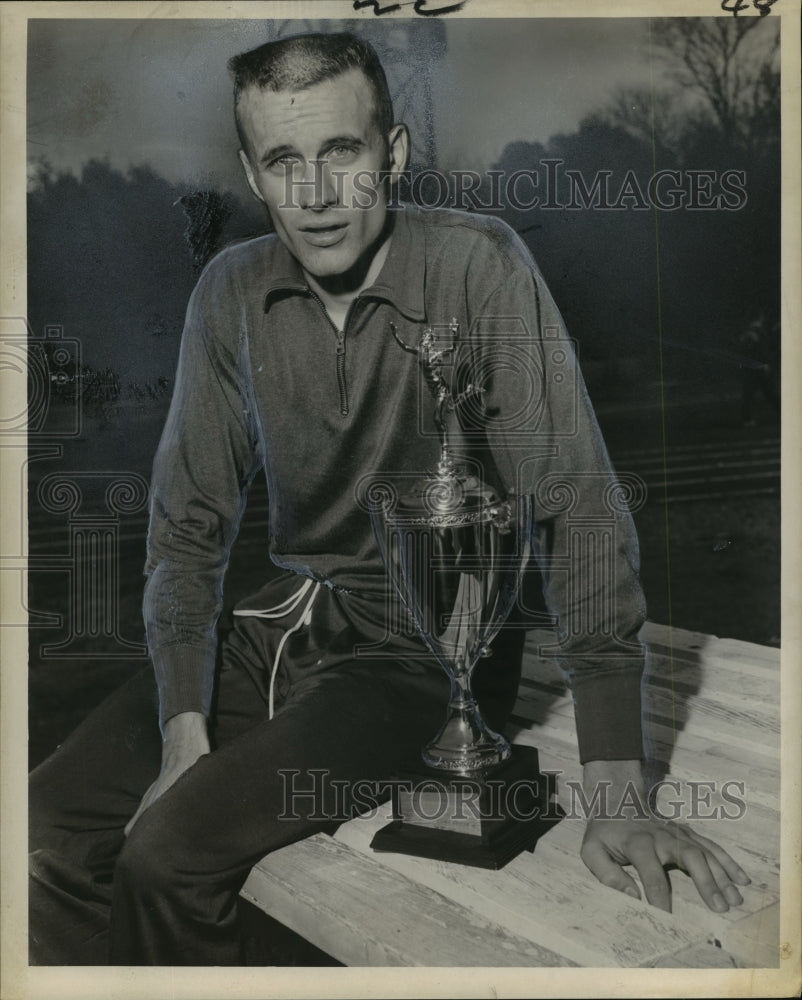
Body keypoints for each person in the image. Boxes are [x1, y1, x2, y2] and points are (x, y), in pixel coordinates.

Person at [28, 31, 750, 967]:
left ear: (395, 154)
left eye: (343, 151)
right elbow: (187, 529)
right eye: (285, 160)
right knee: (36, 835)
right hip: (275, 632)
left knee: (166, 858)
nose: (318, 193)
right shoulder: (228, 294)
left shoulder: (477, 266)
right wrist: (182, 728)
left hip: (417, 662)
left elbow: (578, 506)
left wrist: (617, 794)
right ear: (251, 173)